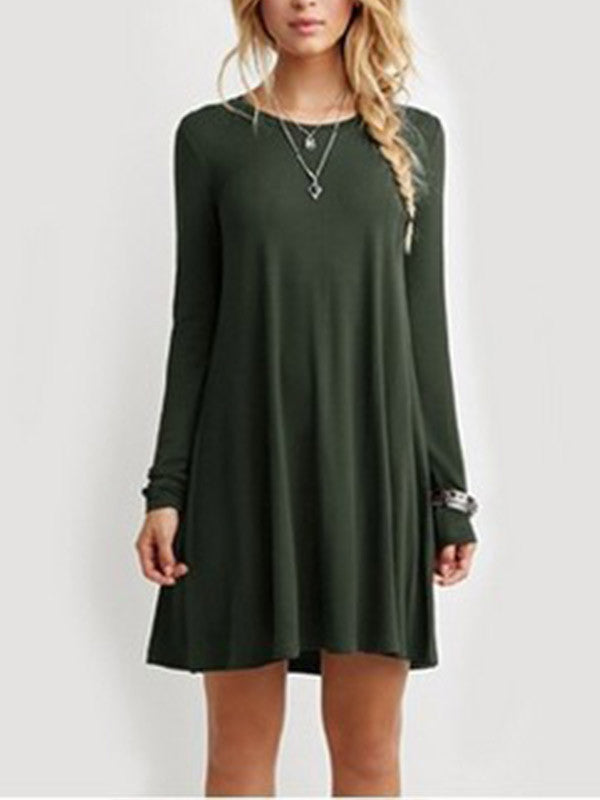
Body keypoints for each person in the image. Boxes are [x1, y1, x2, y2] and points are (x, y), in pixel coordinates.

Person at [134, 0, 481, 794]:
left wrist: (447, 495)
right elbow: (195, 323)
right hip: (241, 473)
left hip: (372, 475)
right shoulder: (211, 139)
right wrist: (167, 489)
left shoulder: (413, 138)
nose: (305, 3)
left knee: (368, 755)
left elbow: (424, 327)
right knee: (236, 756)